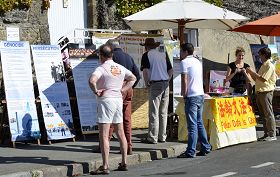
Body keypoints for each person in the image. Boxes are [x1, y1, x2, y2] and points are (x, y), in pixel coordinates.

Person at [88, 44, 136, 174]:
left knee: (104, 135)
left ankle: (105, 165)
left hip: (106, 101)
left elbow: (92, 81)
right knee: (120, 133)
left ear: (101, 55)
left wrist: (96, 91)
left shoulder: (101, 68)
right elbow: (133, 78)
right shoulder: (120, 68)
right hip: (117, 100)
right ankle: (124, 162)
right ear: (112, 55)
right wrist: (123, 89)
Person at [105, 39, 141, 155]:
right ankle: (129, 146)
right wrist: (130, 86)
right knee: (126, 119)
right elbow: (137, 75)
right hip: (128, 89)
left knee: (109, 117)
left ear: (110, 48)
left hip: (116, 89)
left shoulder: (111, 57)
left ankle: (105, 145)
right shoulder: (128, 56)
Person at [177, 43, 211, 158]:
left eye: (181, 51)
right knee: (199, 123)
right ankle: (205, 147)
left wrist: (184, 94)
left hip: (191, 96)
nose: (180, 54)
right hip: (199, 94)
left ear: (186, 52)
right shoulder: (197, 61)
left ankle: (191, 151)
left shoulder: (184, 62)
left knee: (192, 125)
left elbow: (184, 80)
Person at [140, 38, 173, 144]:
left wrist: (146, 83)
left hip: (155, 83)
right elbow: (171, 70)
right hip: (165, 84)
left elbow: (145, 71)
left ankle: (153, 137)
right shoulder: (163, 54)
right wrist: (167, 79)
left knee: (154, 112)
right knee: (163, 112)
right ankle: (162, 136)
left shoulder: (146, 55)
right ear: (155, 46)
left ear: (146, 46)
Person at [246, 47, 277, 141]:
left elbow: (263, 79)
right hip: (260, 92)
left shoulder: (269, 65)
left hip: (266, 92)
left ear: (264, 55)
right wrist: (250, 73)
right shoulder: (263, 65)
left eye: (260, 55)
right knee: (263, 115)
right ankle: (266, 133)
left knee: (268, 113)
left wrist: (252, 72)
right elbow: (257, 79)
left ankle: (272, 134)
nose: (259, 57)